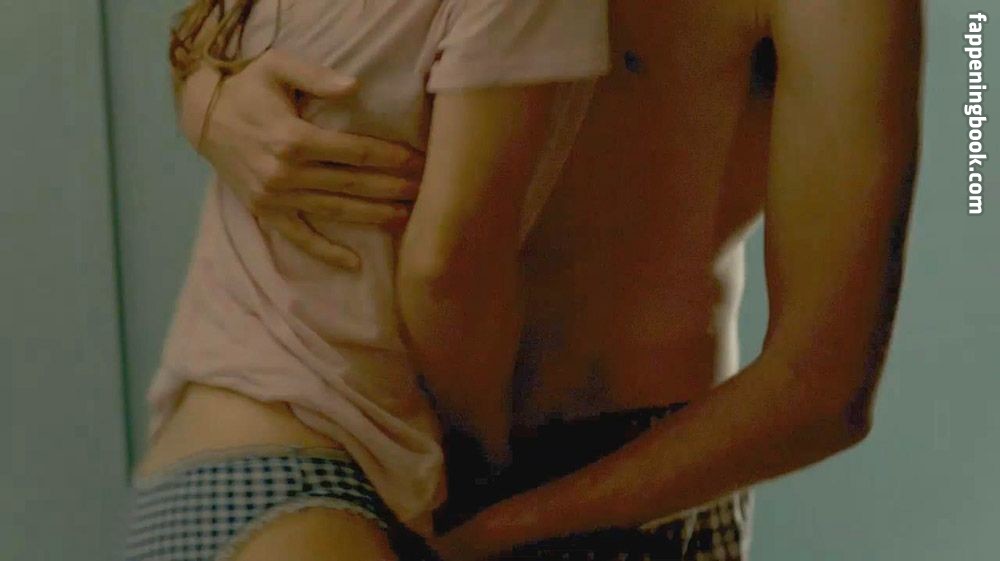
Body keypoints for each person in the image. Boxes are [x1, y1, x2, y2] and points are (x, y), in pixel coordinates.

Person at [162, 0, 924, 559]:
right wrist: (208, 101)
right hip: (354, 453)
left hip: (616, 498)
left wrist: (498, 528)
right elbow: (228, 30)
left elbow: (821, 387)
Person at [125, 1, 609, 560]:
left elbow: (199, 42)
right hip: (316, 489)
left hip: (186, 475)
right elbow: (444, 270)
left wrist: (201, 98)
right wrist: (486, 456)